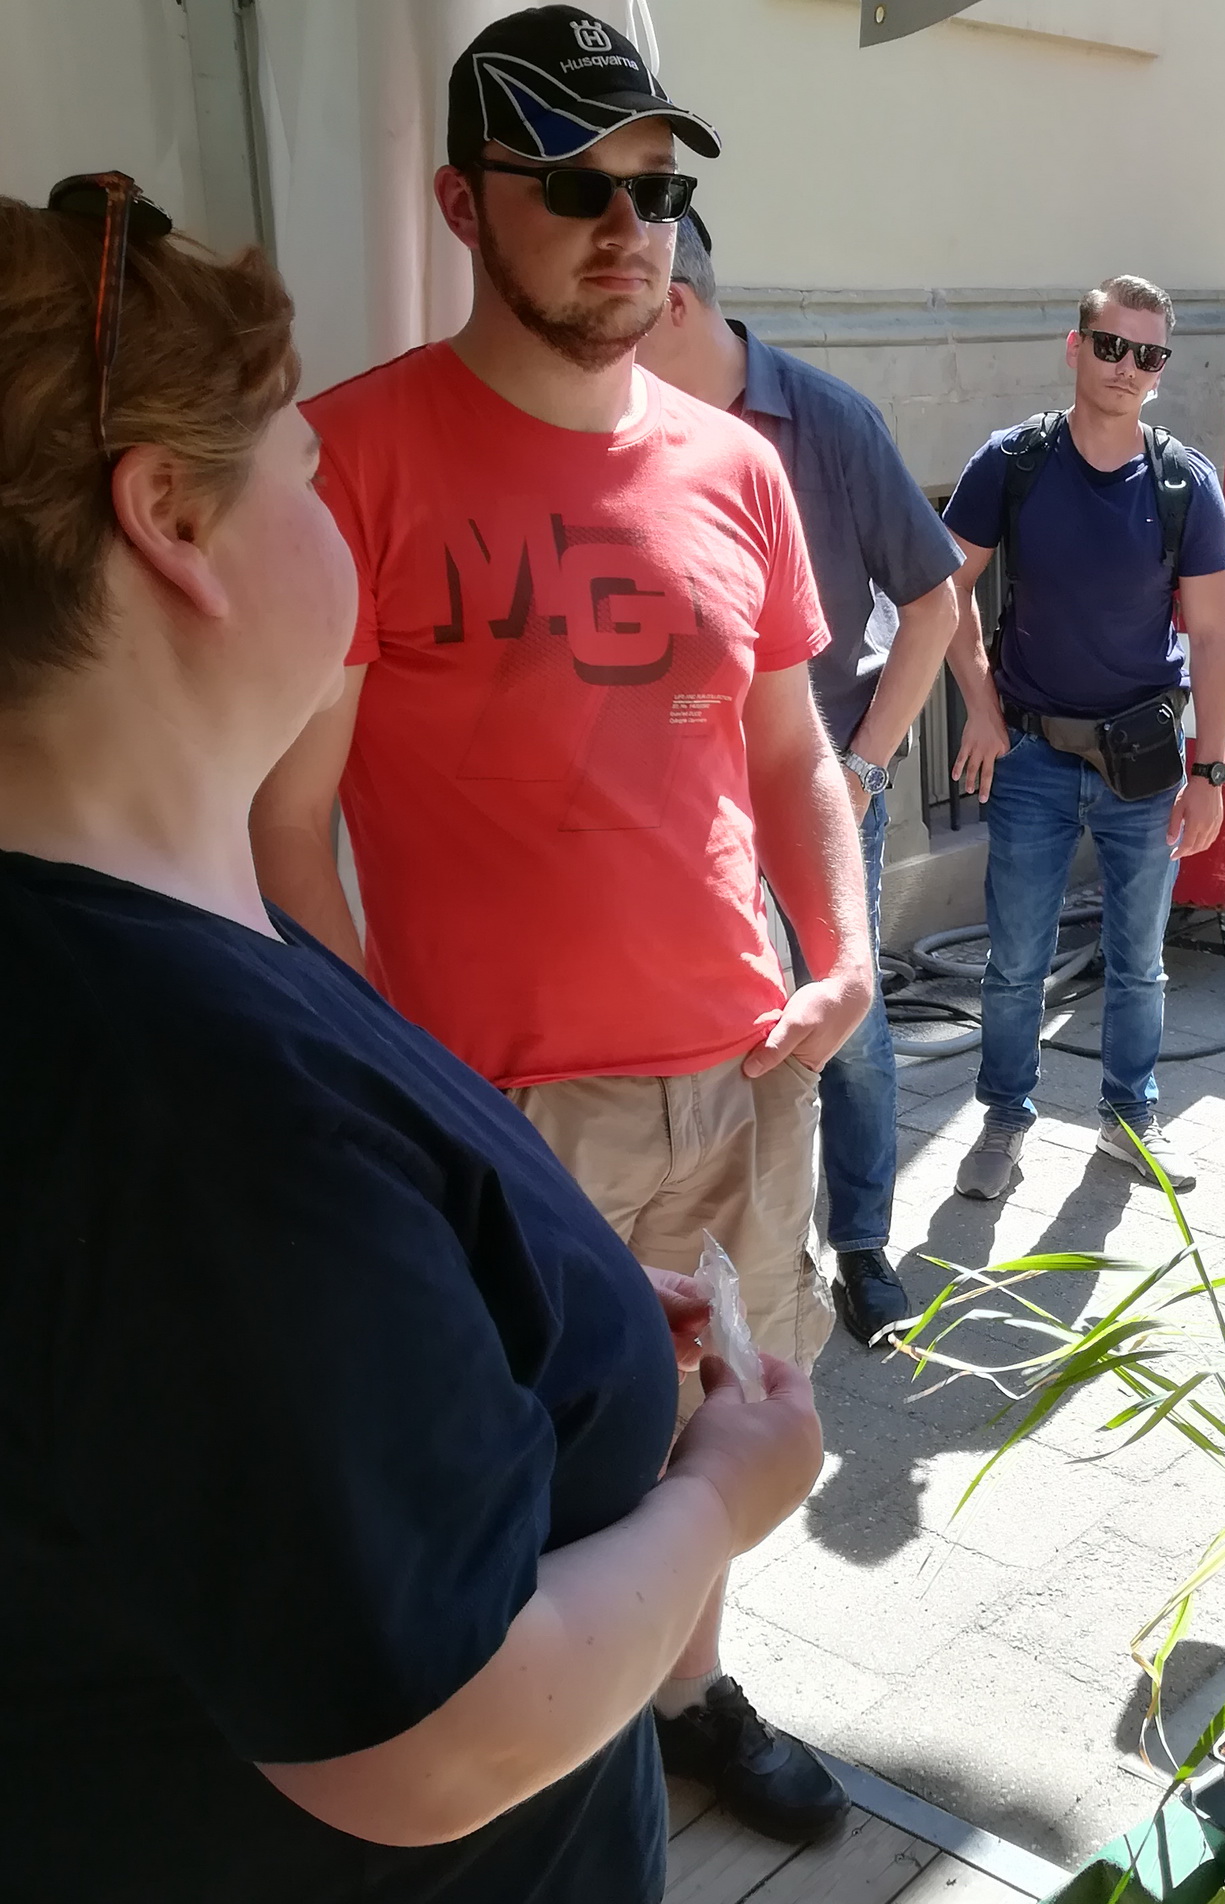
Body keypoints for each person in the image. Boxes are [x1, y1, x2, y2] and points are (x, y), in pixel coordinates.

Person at [0, 175, 822, 1904]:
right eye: (302, 465)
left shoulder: (146, 931)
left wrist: (518, 1313)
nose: (339, 498)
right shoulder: (182, 1095)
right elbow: (433, 1734)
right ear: (170, 520)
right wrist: (722, 1496)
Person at [248, 7, 867, 1844]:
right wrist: (391, 1079)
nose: (629, 224)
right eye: (577, 183)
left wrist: (838, 951)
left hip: (745, 1061)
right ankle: (548, 1765)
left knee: (728, 1423)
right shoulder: (347, 462)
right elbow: (288, 825)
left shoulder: (735, 464)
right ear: (459, 199)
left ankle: (683, 1697)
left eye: (657, 187)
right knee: (524, 1464)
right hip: (497, 1102)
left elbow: (792, 746)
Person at [640, 212, 963, 1347]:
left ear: (672, 300)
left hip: (812, 778)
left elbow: (934, 599)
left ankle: (862, 1243)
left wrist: (867, 761)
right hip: (674, 803)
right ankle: (742, 1251)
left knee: (849, 1025)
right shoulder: (614, 430)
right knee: (721, 1024)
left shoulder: (821, 423)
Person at [940, 274, 1225, 1201]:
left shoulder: (1186, 484)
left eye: (1148, 355)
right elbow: (945, 589)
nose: (1127, 368)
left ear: (1162, 369)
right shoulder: (1013, 461)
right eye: (1111, 346)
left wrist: (1212, 771)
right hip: (1029, 755)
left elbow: (1218, 636)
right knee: (1016, 961)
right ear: (1077, 348)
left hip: (1142, 764)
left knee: (1140, 962)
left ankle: (1130, 1120)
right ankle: (1003, 1119)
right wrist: (981, 710)